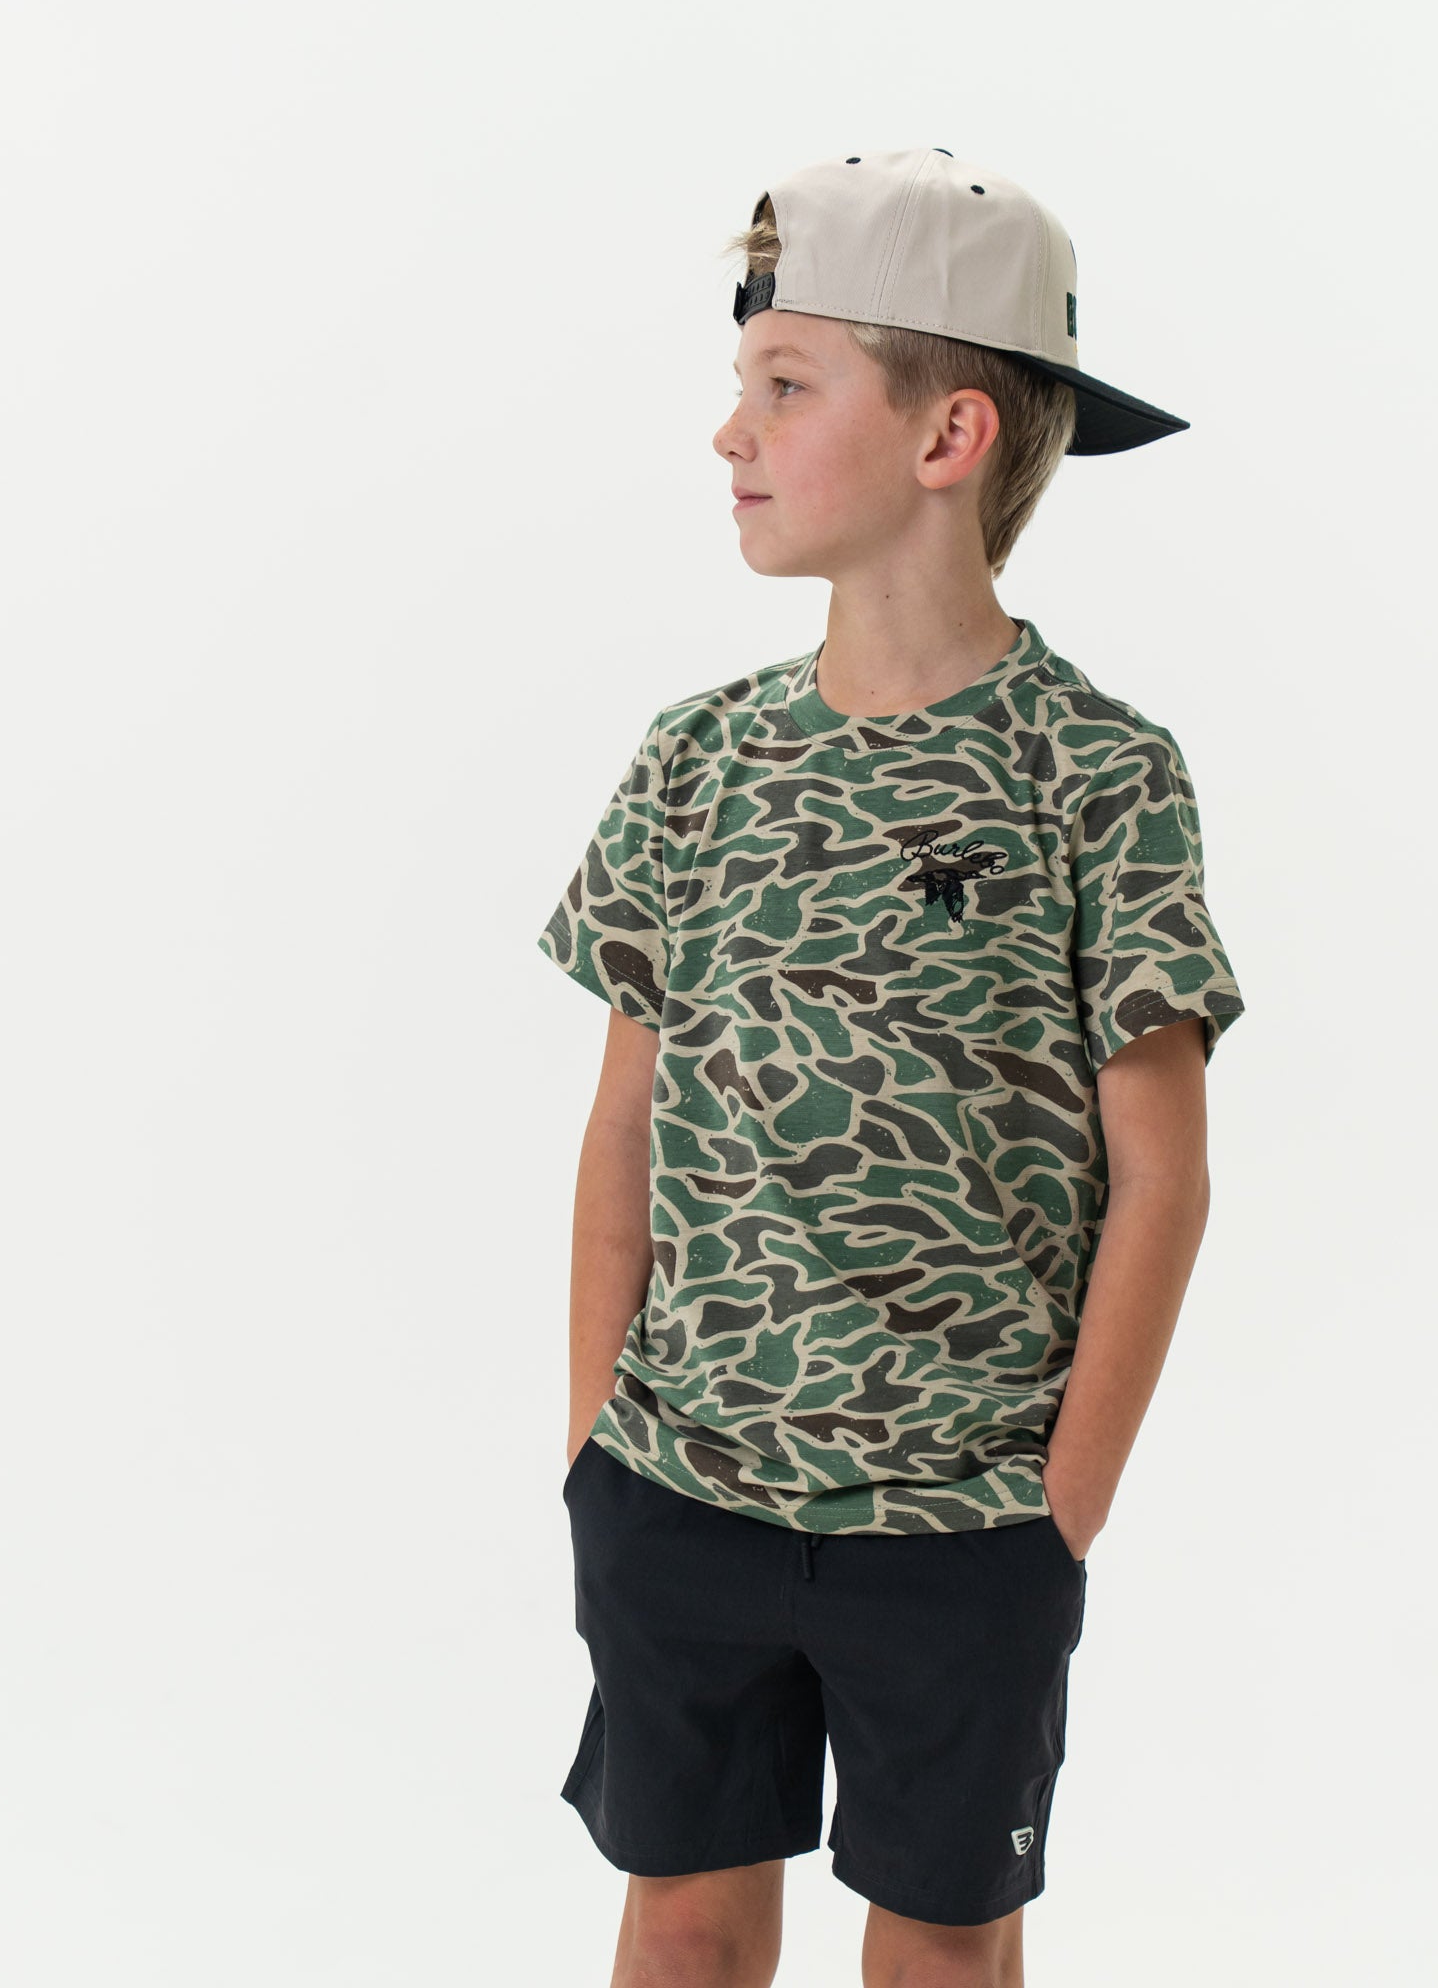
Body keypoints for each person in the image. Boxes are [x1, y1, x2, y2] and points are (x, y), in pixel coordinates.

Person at [539, 144, 1247, 1987]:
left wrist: (1059, 1509)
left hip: (964, 1525)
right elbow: (624, 1127)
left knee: (942, 1944)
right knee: (683, 1927)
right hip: (678, 1486)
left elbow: (1162, 1176)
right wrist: (596, 1444)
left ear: (948, 435)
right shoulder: (697, 760)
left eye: (786, 386)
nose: (731, 433)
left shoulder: (1097, 774)